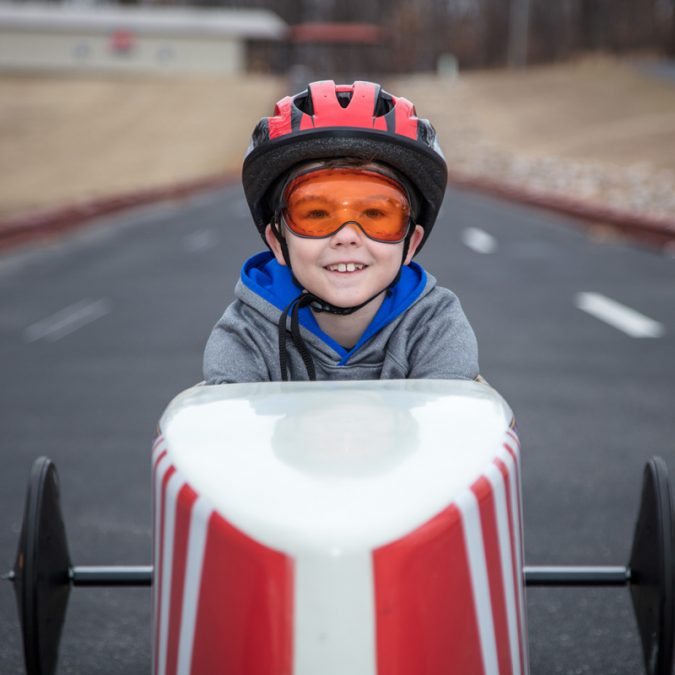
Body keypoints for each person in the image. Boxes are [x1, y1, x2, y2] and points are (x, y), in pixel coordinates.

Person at [203, 80, 479, 383]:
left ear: (410, 244)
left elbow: (449, 421)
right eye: (317, 214)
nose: (346, 236)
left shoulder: (436, 327)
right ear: (278, 242)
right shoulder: (245, 335)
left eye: (376, 214)